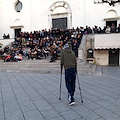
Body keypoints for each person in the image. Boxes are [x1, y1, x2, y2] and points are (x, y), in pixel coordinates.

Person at [60, 41, 77, 106]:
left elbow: (62, 61)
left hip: (67, 69)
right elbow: (75, 61)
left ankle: (71, 97)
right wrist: (76, 69)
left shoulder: (63, 52)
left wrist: (61, 68)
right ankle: (71, 94)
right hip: (73, 68)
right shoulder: (73, 52)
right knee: (73, 82)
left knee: (68, 83)